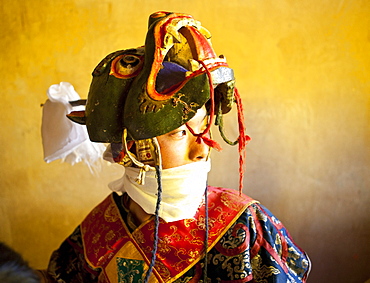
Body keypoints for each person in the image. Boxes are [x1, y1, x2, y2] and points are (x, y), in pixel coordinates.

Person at [42, 11, 310, 282]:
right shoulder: (100, 228)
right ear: (131, 147)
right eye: (180, 132)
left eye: (203, 128)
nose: (202, 150)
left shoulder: (244, 223)